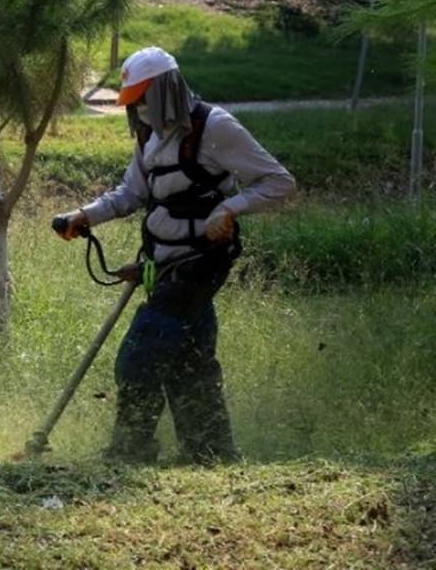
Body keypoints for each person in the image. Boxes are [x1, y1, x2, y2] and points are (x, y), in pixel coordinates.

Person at [54, 47, 296, 465]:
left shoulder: (214, 127)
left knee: (140, 355)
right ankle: (210, 452)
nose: (139, 110)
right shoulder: (149, 133)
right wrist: (84, 215)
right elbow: (133, 193)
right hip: (160, 263)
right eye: (134, 103)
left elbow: (279, 182)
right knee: (191, 360)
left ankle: (131, 452)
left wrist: (229, 208)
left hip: (200, 262)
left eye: (143, 99)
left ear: (165, 90)